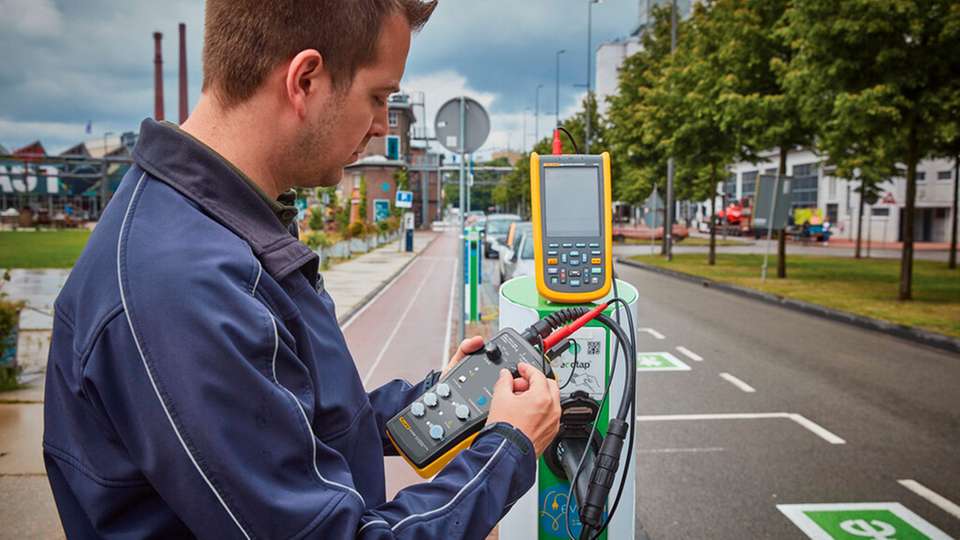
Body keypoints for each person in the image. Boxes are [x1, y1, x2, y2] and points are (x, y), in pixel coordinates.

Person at [42, 1, 561, 538]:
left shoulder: (222, 228)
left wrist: (435, 400)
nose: (381, 126)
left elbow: (295, 422)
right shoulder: (185, 291)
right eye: (378, 97)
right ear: (305, 80)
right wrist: (506, 449)